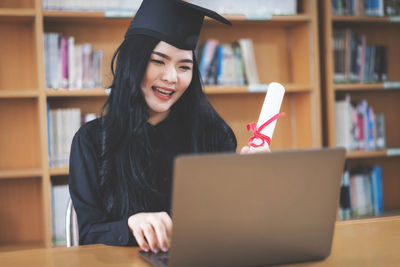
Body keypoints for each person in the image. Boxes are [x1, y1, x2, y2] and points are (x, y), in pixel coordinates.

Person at [69, 0, 243, 254]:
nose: (172, 77)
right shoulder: (92, 141)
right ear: (133, 63)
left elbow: (229, 223)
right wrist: (130, 225)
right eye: (158, 61)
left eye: (184, 66)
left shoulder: (215, 136)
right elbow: (87, 233)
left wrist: (250, 184)